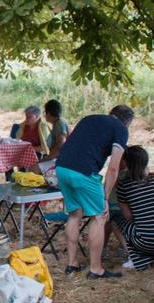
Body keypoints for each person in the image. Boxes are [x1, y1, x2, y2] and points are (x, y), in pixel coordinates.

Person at [55, 104, 134, 279]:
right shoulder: (120, 129)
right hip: (83, 172)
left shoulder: (88, 119)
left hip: (61, 168)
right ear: (127, 122)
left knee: (75, 214)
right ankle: (96, 268)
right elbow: (113, 168)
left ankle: (72, 263)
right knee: (99, 216)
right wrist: (105, 196)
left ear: (110, 114)